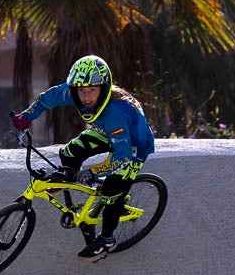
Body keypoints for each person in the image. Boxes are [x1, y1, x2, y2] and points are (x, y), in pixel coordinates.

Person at [12, 55, 155, 263]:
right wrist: (26, 117)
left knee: (112, 190)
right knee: (69, 153)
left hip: (132, 145)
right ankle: (69, 176)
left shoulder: (116, 112)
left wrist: (93, 172)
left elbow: (121, 156)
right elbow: (49, 98)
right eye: (82, 90)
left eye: (92, 90)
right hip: (105, 132)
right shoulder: (75, 92)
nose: (86, 96)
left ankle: (107, 239)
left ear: (103, 89)